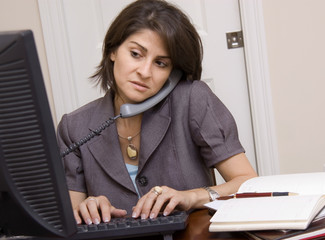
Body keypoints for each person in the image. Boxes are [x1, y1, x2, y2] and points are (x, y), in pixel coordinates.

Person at [57, 0, 257, 225]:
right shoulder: (73, 127)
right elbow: (71, 215)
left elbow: (247, 181)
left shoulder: (192, 100)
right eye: (135, 54)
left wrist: (191, 196)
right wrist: (87, 208)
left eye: (161, 63)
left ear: (174, 73)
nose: (144, 72)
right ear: (113, 50)